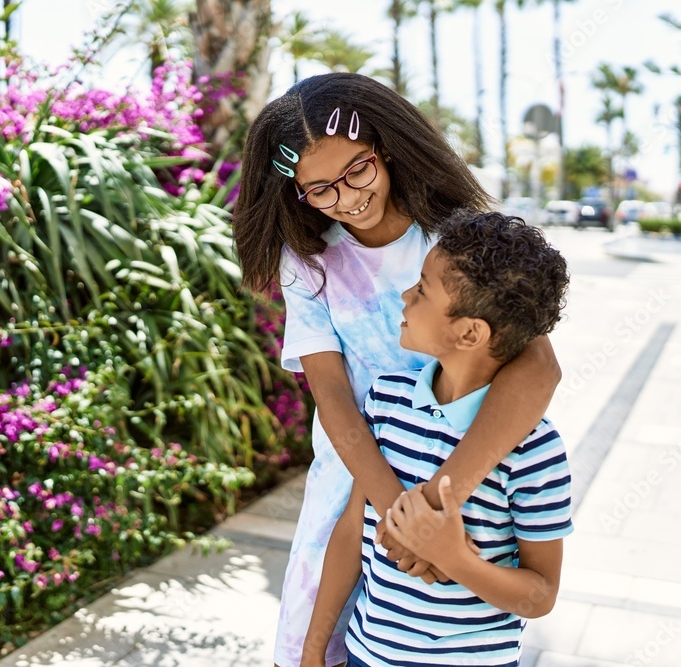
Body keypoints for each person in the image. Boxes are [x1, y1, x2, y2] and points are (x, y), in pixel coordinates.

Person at [232, 73, 562, 667]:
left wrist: (436, 504)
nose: (347, 197)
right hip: (354, 483)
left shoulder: (452, 239)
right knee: (324, 643)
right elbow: (333, 399)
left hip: (466, 470)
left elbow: (538, 367)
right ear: (295, 192)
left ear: (383, 147)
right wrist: (394, 510)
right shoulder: (308, 262)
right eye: (319, 188)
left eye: (357, 170)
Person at [301, 210, 573, 667]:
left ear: (469, 332)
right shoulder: (385, 401)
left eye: (422, 289)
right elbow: (351, 533)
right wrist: (312, 650)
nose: (406, 296)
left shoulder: (535, 452)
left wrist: (456, 560)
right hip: (367, 654)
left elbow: (540, 594)